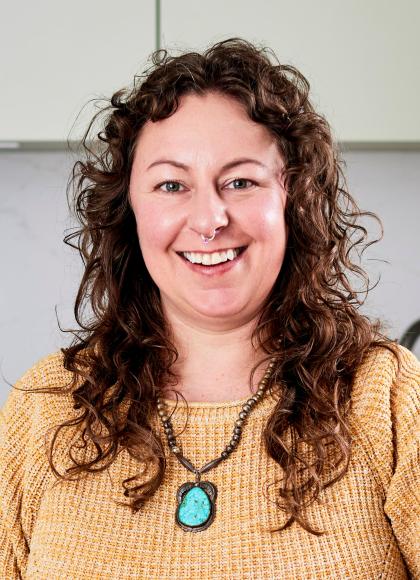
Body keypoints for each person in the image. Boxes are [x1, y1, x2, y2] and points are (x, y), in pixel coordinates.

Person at [0, 37, 419, 579]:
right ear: (128, 208)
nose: (209, 220)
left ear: (293, 199)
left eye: (241, 181)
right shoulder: (47, 405)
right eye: (171, 184)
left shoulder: (386, 398)